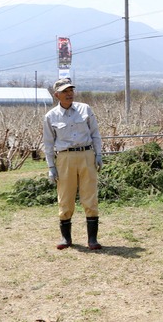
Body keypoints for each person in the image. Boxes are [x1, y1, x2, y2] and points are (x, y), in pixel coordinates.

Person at [43, 78, 104, 251]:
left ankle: (92, 239)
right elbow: (48, 144)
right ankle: (66, 238)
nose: (69, 94)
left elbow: (95, 133)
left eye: (71, 90)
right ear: (57, 95)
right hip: (65, 158)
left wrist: (98, 154)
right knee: (65, 197)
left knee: (90, 196)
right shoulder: (50, 116)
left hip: (86, 155)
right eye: (65, 91)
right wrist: (51, 167)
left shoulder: (85, 109)